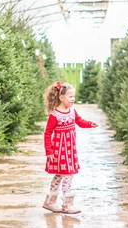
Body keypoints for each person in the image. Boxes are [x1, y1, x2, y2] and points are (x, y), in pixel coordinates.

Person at [42, 81, 98, 214]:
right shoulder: (55, 115)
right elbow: (47, 133)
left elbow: (80, 122)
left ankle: (50, 202)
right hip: (59, 151)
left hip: (70, 150)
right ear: (61, 98)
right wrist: (49, 151)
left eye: (74, 96)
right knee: (66, 174)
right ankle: (66, 205)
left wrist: (90, 124)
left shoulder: (72, 111)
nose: (73, 99)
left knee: (62, 174)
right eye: (70, 96)